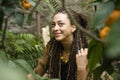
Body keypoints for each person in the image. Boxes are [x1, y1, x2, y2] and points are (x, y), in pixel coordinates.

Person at [28, 8, 89, 80]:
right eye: (53, 24)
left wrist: (81, 68)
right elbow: (35, 75)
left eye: (61, 24)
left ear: (73, 27)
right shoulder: (52, 48)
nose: (55, 28)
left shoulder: (84, 53)